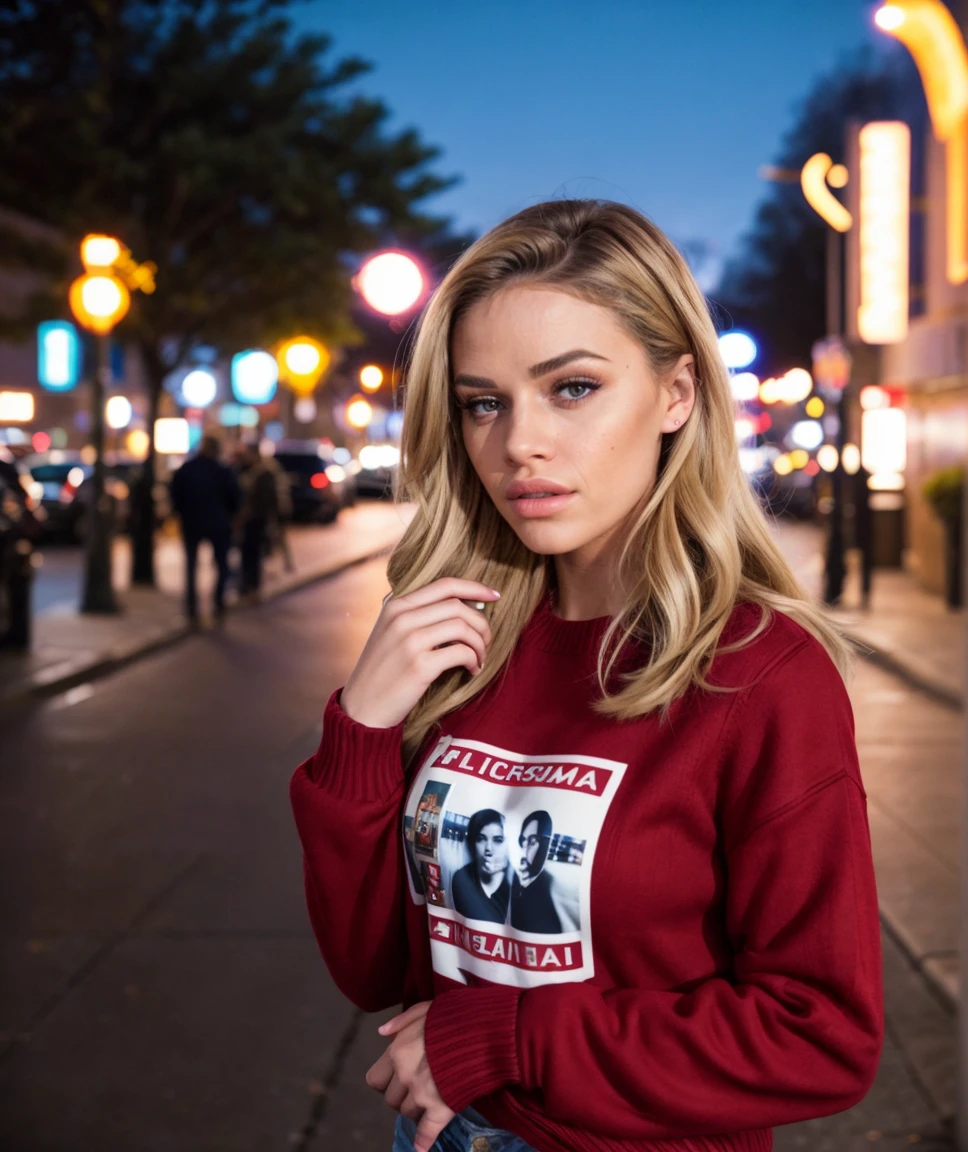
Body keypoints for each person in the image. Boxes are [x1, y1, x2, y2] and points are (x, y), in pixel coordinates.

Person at [291, 200, 883, 1152]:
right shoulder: (461, 645)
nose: (520, 442)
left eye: (571, 388)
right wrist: (360, 732)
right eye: (485, 402)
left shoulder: (761, 674)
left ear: (678, 394)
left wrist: (510, 1037)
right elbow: (377, 970)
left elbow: (821, 1036)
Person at [169, 433, 239, 624]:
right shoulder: (222, 470)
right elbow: (234, 497)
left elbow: (175, 495)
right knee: (221, 564)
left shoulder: (187, 469)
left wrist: (181, 512)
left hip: (192, 522)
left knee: (191, 566)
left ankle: (192, 607)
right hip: (218, 523)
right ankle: (218, 602)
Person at [235, 443, 280, 600]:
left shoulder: (263, 473)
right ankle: (246, 585)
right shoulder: (244, 470)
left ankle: (252, 585)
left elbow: (268, 499)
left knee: (253, 553)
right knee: (245, 553)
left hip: (257, 520)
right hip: (247, 519)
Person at [450, 808, 511, 924]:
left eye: (497, 840)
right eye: (481, 839)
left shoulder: (515, 886)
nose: (489, 848)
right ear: (473, 843)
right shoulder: (462, 878)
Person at [508, 810, 561, 934]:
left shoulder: (550, 889)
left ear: (545, 844)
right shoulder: (515, 881)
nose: (525, 850)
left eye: (532, 842)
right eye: (523, 841)